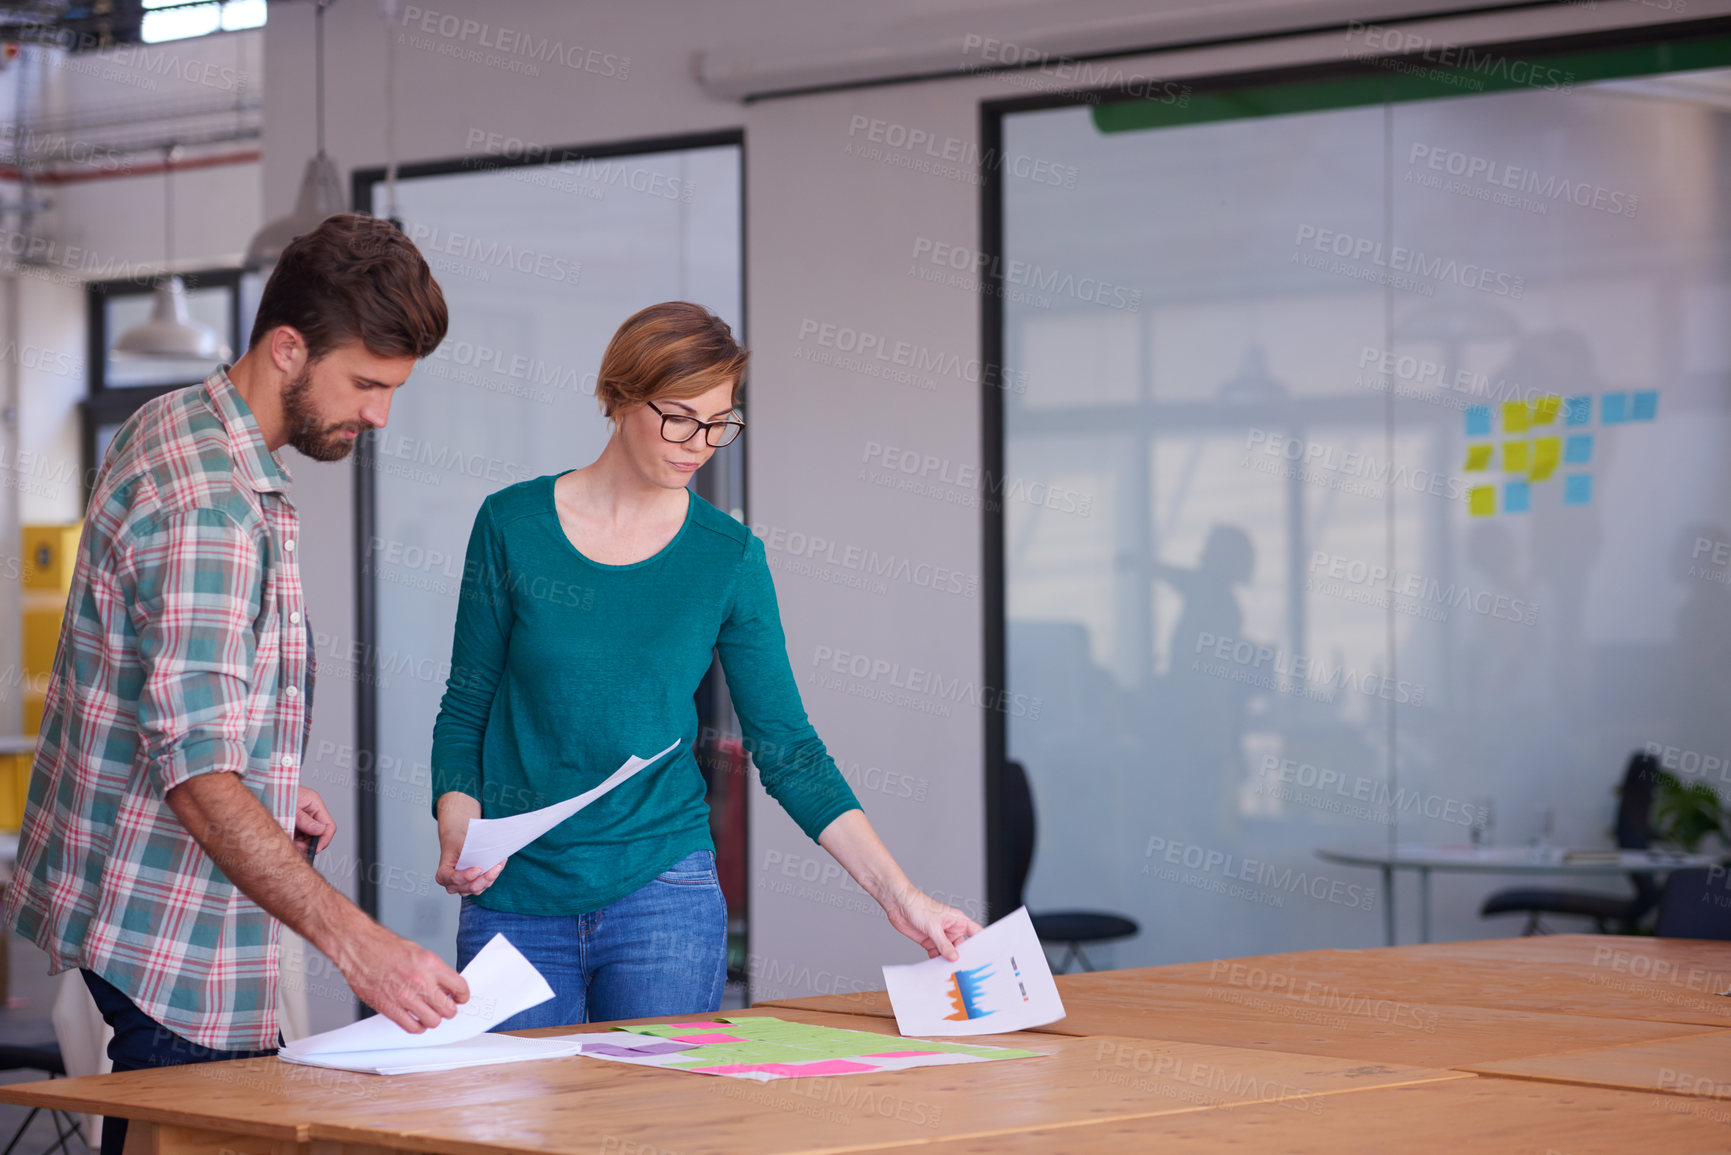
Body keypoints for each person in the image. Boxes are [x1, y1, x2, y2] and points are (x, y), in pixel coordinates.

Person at [2, 214, 469, 1155]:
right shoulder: (211, 502)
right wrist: (361, 945)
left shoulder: (176, 425)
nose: (379, 415)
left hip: (138, 907)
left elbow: (171, 686)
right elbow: (197, 774)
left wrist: (266, 776)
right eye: (367, 384)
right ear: (288, 348)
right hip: (170, 934)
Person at [431, 301, 980, 1027]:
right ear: (620, 395)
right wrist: (457, 825)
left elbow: (789, 749)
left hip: (665, 895)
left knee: (658, 1129)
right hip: (516, 896)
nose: (702, 443)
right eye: (681, 417)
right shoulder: (511, 525)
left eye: (721, 422)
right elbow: (465, 705)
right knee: (513, 1131)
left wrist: (902, 895)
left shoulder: (727, 555)